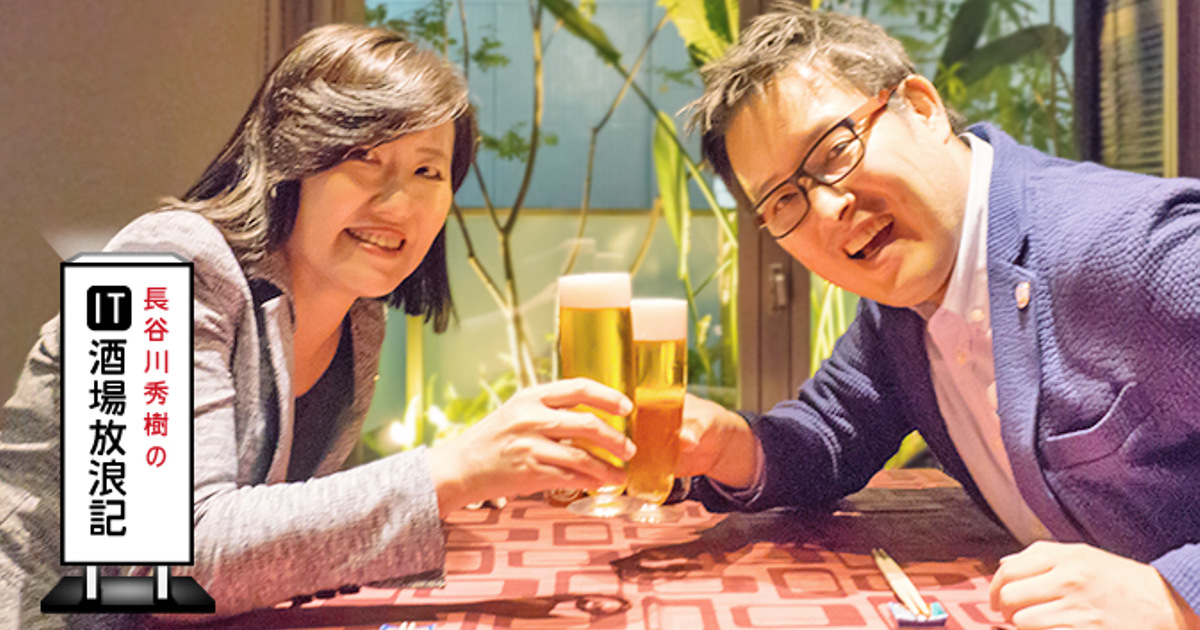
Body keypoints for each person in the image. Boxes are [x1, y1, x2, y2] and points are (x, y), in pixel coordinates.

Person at [0, 24, 635, 627]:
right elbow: (155, 570)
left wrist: (462, 481)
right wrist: (449, 472)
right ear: (292, 157)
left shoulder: (358, 319)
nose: (400, 202)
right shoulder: (160, 261)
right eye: (364, 157)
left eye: (428, 171)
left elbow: (275, 553)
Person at [673, 4, 1200, 630]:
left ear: (921, 108)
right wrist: (723, 445)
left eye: (835, 149)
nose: (827, 208)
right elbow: (829, 436)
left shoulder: (1142, 251)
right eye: (785, 199)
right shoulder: (902, 311)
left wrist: (1175, 595)